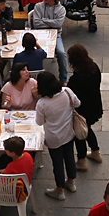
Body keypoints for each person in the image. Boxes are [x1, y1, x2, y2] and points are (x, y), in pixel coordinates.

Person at [35, 71, 81, 200]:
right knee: (70, 157)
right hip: (68, 133)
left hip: (53, 137)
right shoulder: (67, 92)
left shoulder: (42, 103)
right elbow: (77, 104)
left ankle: (59, 190)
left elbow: (39, 122)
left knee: (58, 163)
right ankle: (71, 182)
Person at [65, 43, 103, 170]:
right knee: (87, 129)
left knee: (79, 134)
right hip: (95, 106)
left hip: (82, 110)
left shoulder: (76, 79)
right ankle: (95, 152)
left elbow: (71, 95)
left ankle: (81, 161)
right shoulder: (94, 67)